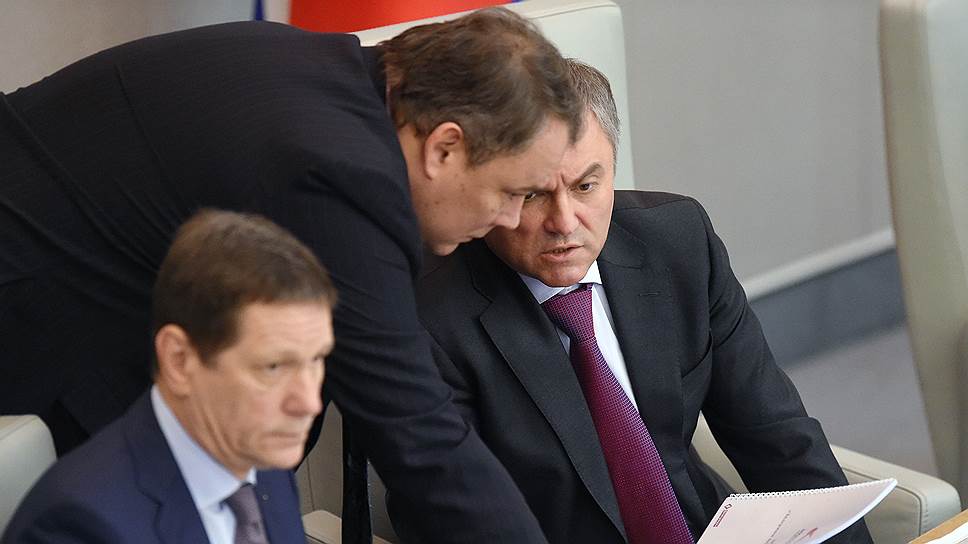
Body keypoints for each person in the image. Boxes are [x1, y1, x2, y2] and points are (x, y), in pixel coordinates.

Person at [0, 8, 582, 543]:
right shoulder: (340, 175)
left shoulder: (339, 74)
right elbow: (417, 433)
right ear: (445, 148)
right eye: (513, 192)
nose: (512, 219)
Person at [412, 61, 873, 543]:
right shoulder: (429, 317)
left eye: (585, 186)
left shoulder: (678, 241)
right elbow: (456, 523)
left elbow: (777, 438)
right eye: (532, 195)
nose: (564, 222)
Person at [2, 209, 335, 543]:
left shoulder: (264, 458)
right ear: (179, 360)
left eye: (317, 359)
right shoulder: (78, 525)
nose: (309, 403)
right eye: (273, 367)